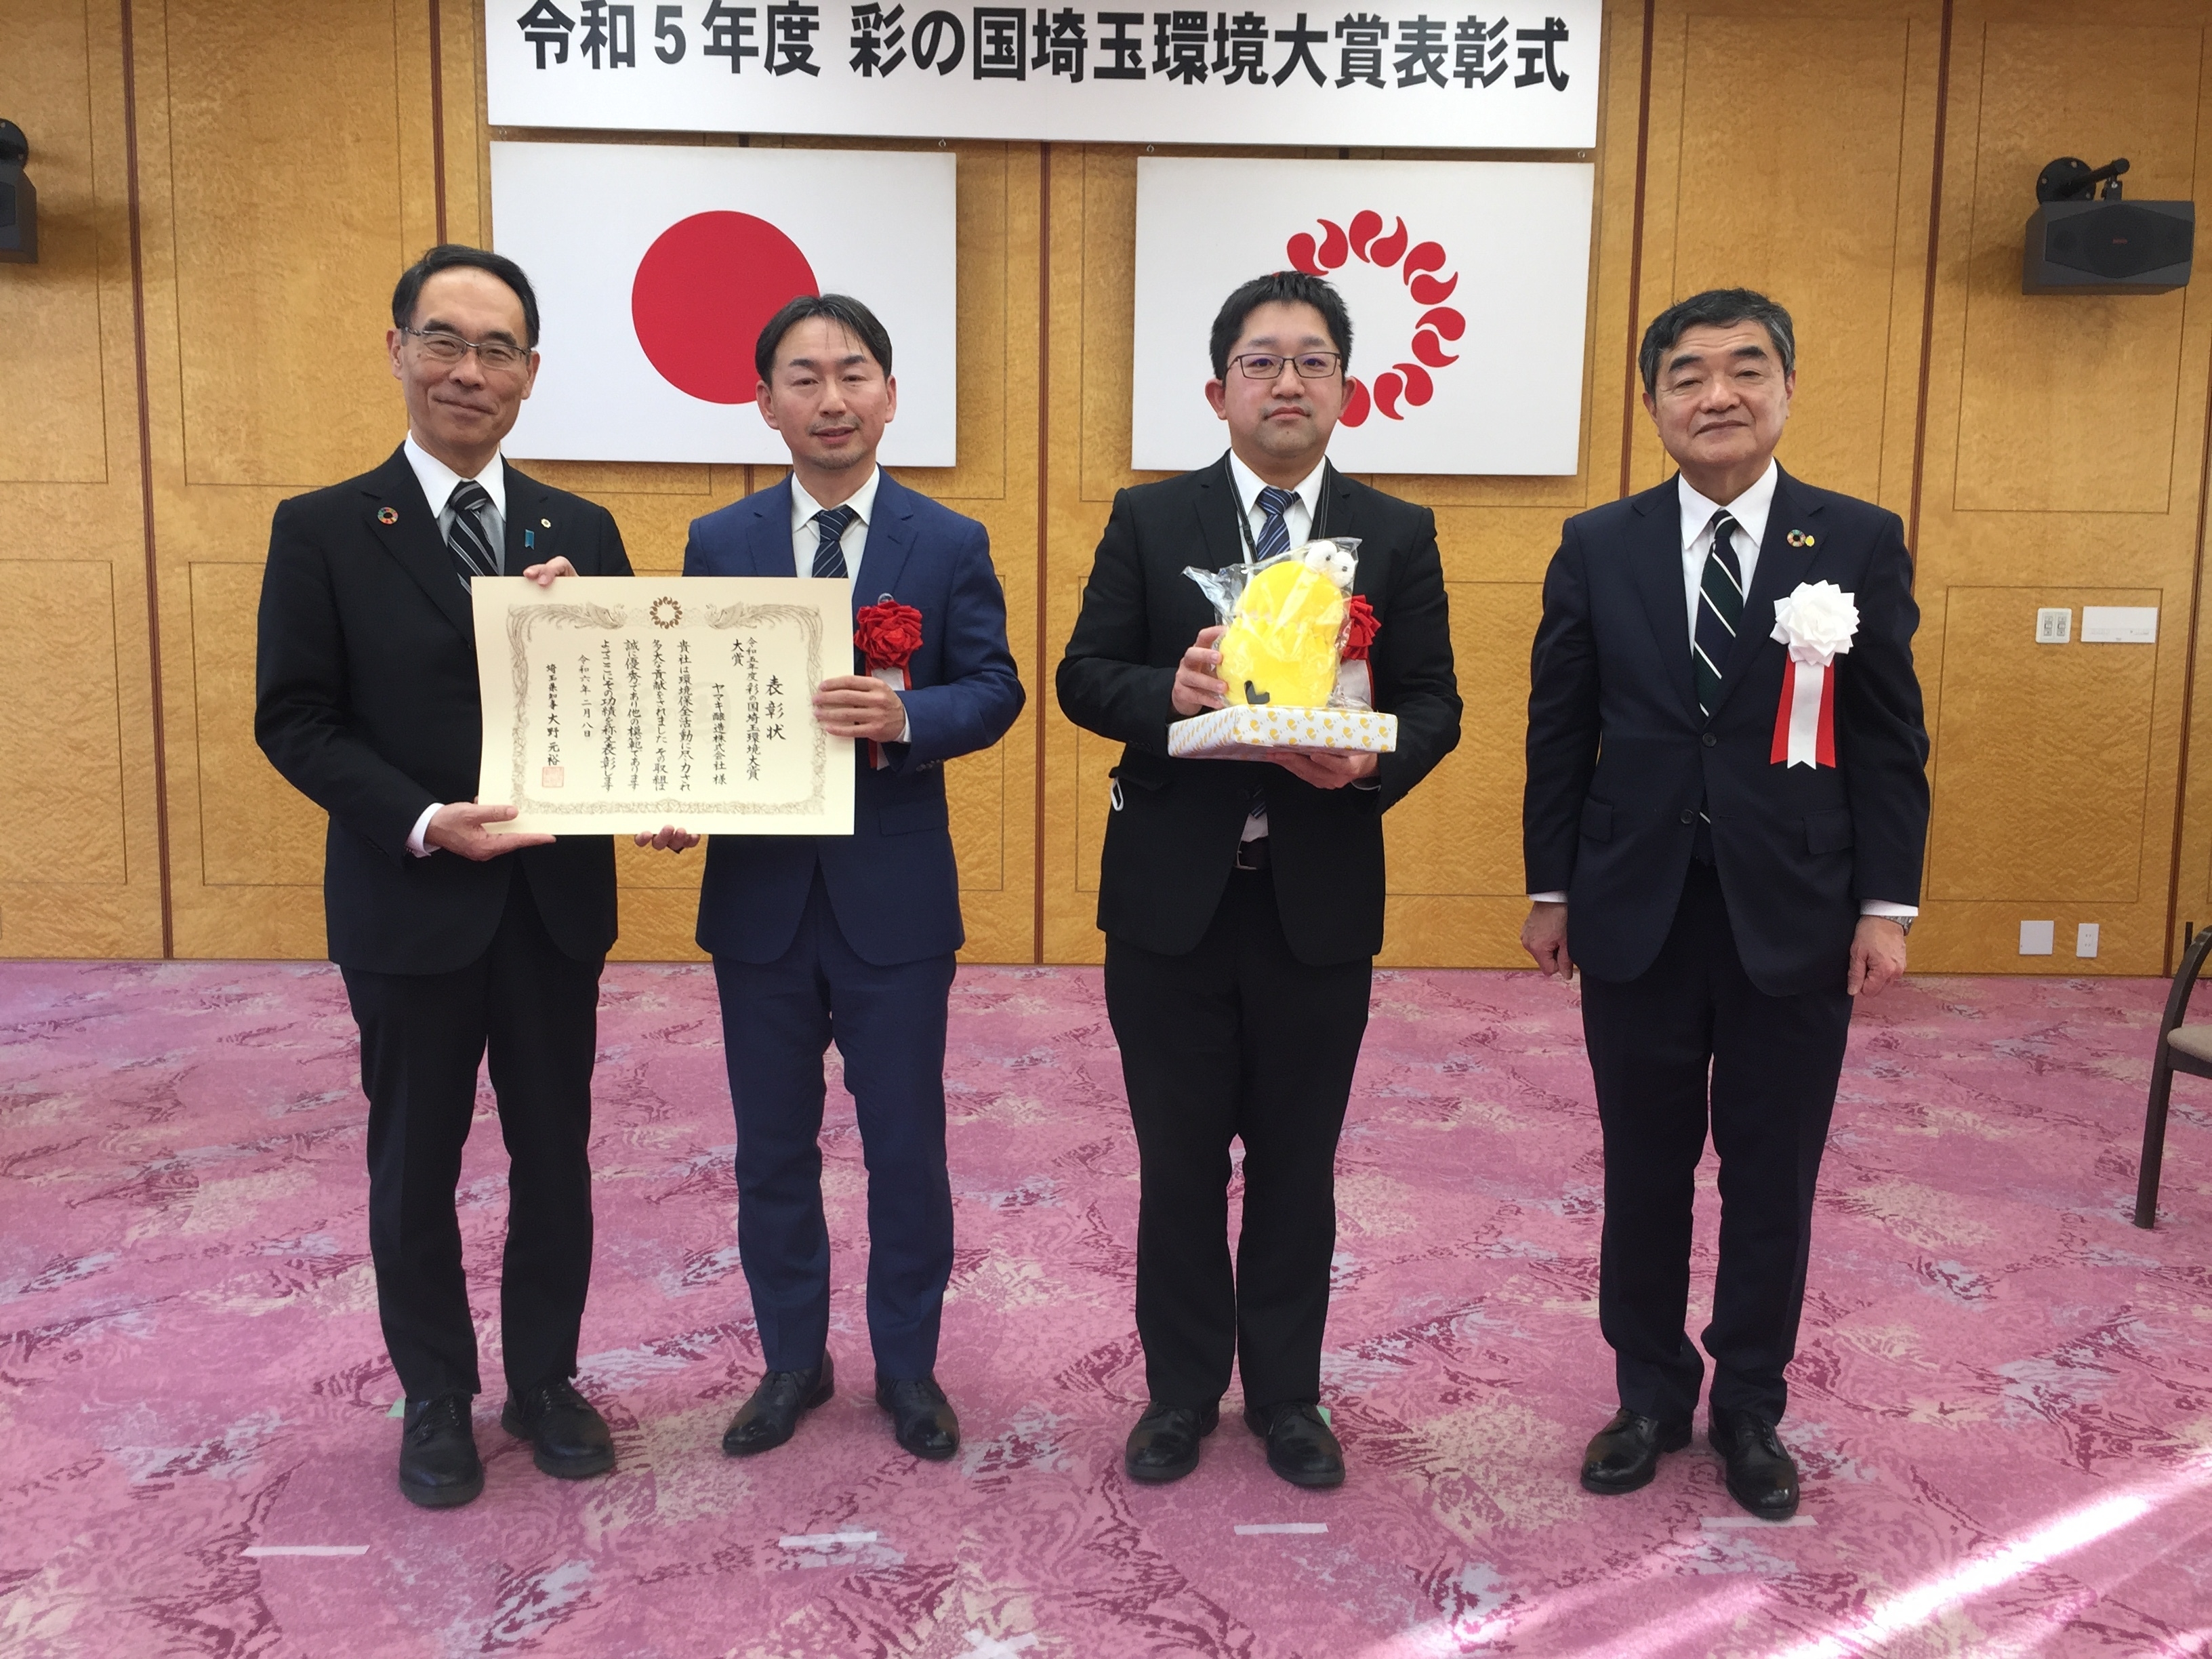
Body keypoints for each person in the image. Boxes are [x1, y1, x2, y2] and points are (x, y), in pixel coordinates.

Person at [1521, 288, 1930, 1521]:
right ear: (1652, 403)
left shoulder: (1856, 539)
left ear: (1787, 388)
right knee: (1644, 1168)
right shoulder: (1599, 543)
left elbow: (1888, 738)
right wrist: (1551, 888)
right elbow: (1561, 727)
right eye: (1688, 376)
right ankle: (1649, 1394)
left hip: (1795, 910)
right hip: (1634, 906)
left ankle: (1751, 1403)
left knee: (1772, 1173)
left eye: (1746, 370)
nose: (1718, 396)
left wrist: (1886, 906)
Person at [1057, 271, 1461, 1490]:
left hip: (1315, 901)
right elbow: (1084, 675)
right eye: (1262, 361)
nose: (1288, 382)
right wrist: (1166, 694)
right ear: (1218, 389)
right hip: (1171, 906)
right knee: (1177, 1164)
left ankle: (1289, 1396)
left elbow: (1435, 704)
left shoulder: (1396, 532)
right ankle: (1180, 1394)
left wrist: (1370, 763)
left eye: (1312, 361)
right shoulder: (1150, 519)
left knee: (1298, 1165)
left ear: (1346, 386)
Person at [255, 245, 632, 1508]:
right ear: (399, 350)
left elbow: (625, 709)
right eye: (445, 342)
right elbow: (295, 719)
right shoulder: (321, 527)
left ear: (532, 372)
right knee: (414, 1160)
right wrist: (420, 820)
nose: (470, 372)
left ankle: (545, 1381)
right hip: (409, 899)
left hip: (551, 906)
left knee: (554, 1156)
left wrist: (601, 665)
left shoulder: (581, 533)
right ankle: (434, 1395)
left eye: (497, 350)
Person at [641, 293, 1023, 1464]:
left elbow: (996, 687)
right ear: (765, 404)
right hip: (758, 899)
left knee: (905, 1149)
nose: (831, 398)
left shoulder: (946, 541)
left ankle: (908, 1366)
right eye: (803, 378)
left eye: (853, 373)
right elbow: (695, 699)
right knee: (771, 1150)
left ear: (890, 395)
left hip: (893, 903)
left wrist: (909, 716)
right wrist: (672, 790)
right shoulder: (722, 543)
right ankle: (791, 1362)